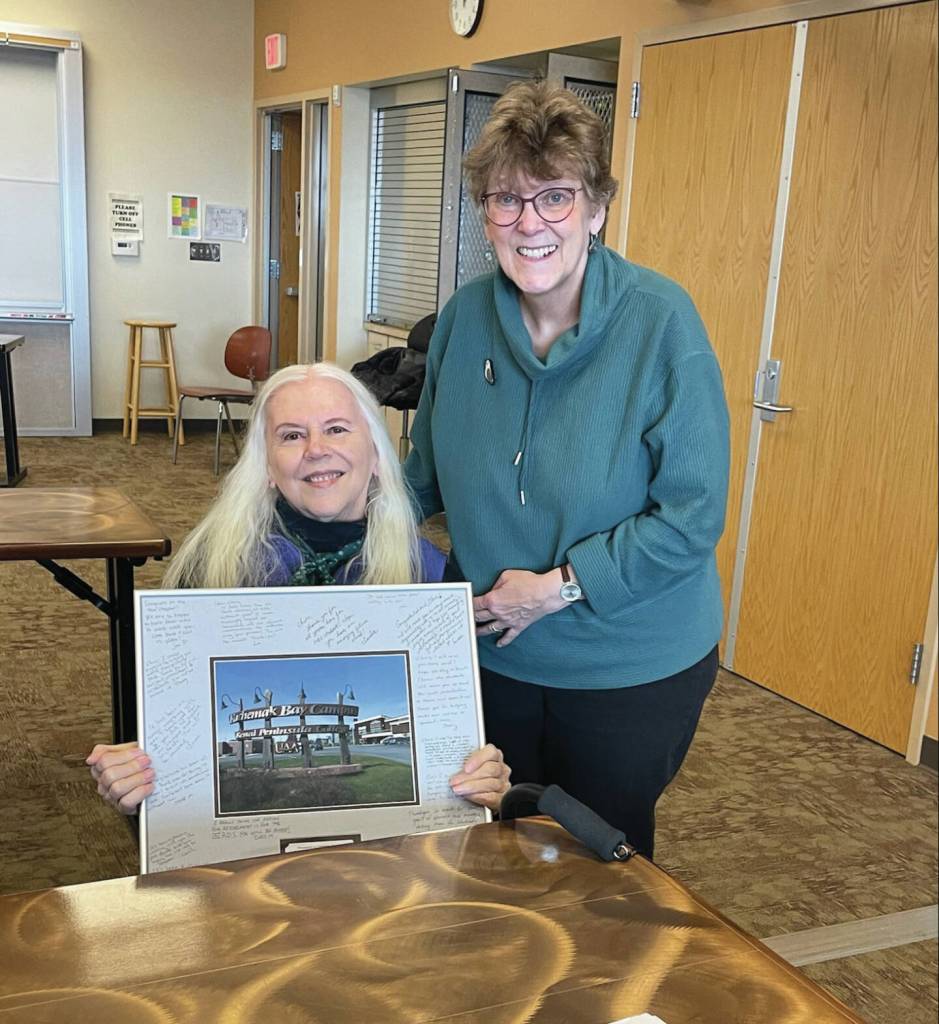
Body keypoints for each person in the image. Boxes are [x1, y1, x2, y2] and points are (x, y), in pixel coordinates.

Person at [405, 81, 729, 860]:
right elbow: (421, 479)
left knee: (597, 871)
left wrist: (556, 589)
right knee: (488, 850)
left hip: (628, 665)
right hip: (491, 655)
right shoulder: (463, 318)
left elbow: (691, 515)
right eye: (505, 201)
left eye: (555, 198)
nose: (530, 223)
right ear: (484, 215)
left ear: (595, 208)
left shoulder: (660, 321)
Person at [88, 362, 510, 814]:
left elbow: (452, 734)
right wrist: (134, 776)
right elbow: (167, 744)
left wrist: (482, 776)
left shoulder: (431, 577)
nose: (316, 450)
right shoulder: (210, 570)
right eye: (291, 435)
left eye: (337, 429)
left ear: (375, 454)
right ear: (267, 465)